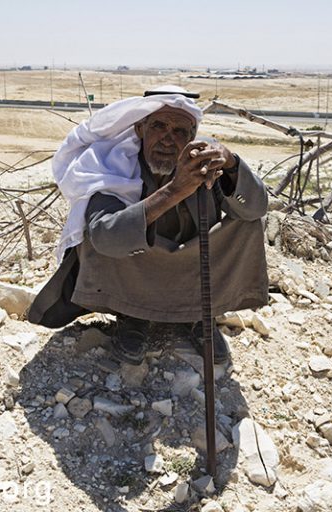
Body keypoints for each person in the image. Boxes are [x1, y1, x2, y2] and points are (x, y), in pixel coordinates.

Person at [29, 86, 269, 365]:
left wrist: (232, 165)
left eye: (180, 132)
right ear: (141, 129)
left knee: (247, 224)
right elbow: (106, 238)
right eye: (159, 126)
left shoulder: (203, 161)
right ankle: (132, 316)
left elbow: (256, 207)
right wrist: (174, 191)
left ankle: (198, 316)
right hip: (135, 268)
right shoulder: (114, 165)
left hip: (192, 267)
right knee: (102, 234)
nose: (168, 139)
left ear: (191, 136)